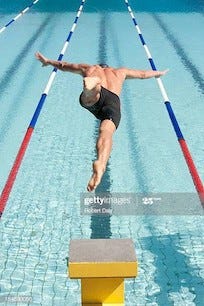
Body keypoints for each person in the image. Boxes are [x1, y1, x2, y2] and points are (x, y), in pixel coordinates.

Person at [35, 52, 168, 192]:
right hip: (113, 102)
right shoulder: (120, 72)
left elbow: (64, 65)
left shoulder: (90, 68)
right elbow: (142, 74)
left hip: (93, 98)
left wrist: (48, 61)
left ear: (99, 66)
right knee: (106, 131)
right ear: (109, 67)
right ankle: (101, 162)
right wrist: (158, 73)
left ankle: (93, 88)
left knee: (90, 97)